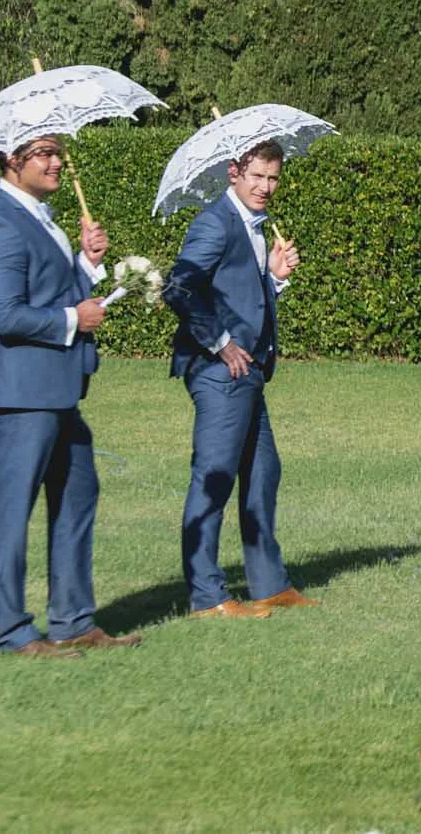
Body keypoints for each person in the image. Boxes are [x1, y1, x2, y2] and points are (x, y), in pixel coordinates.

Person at [0, 135, 139, 655]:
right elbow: (5, 315)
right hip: (24, 395)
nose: (57, 161)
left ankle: (73, 621)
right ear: (11, 159)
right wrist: (72, 318)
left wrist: (86, 263)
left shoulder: (40, 217)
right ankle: (12, 632)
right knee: (12, 509)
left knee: (78, 493)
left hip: (60, 391)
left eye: (57, 152)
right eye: (44, 153)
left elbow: (49, 291)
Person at [164, 140, 313, 620]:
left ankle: (269, 585)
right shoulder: (215, 222)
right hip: (220, 372)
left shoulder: (252, 224)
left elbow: (239, 293)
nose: (266, 187)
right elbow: (178, 287)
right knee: (214, 478)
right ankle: (207, 596)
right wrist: (221, 342)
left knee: (264, 471)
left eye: (273, 177)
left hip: (248, 373)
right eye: (257, 176)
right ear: (234, 172)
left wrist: (275, 277)